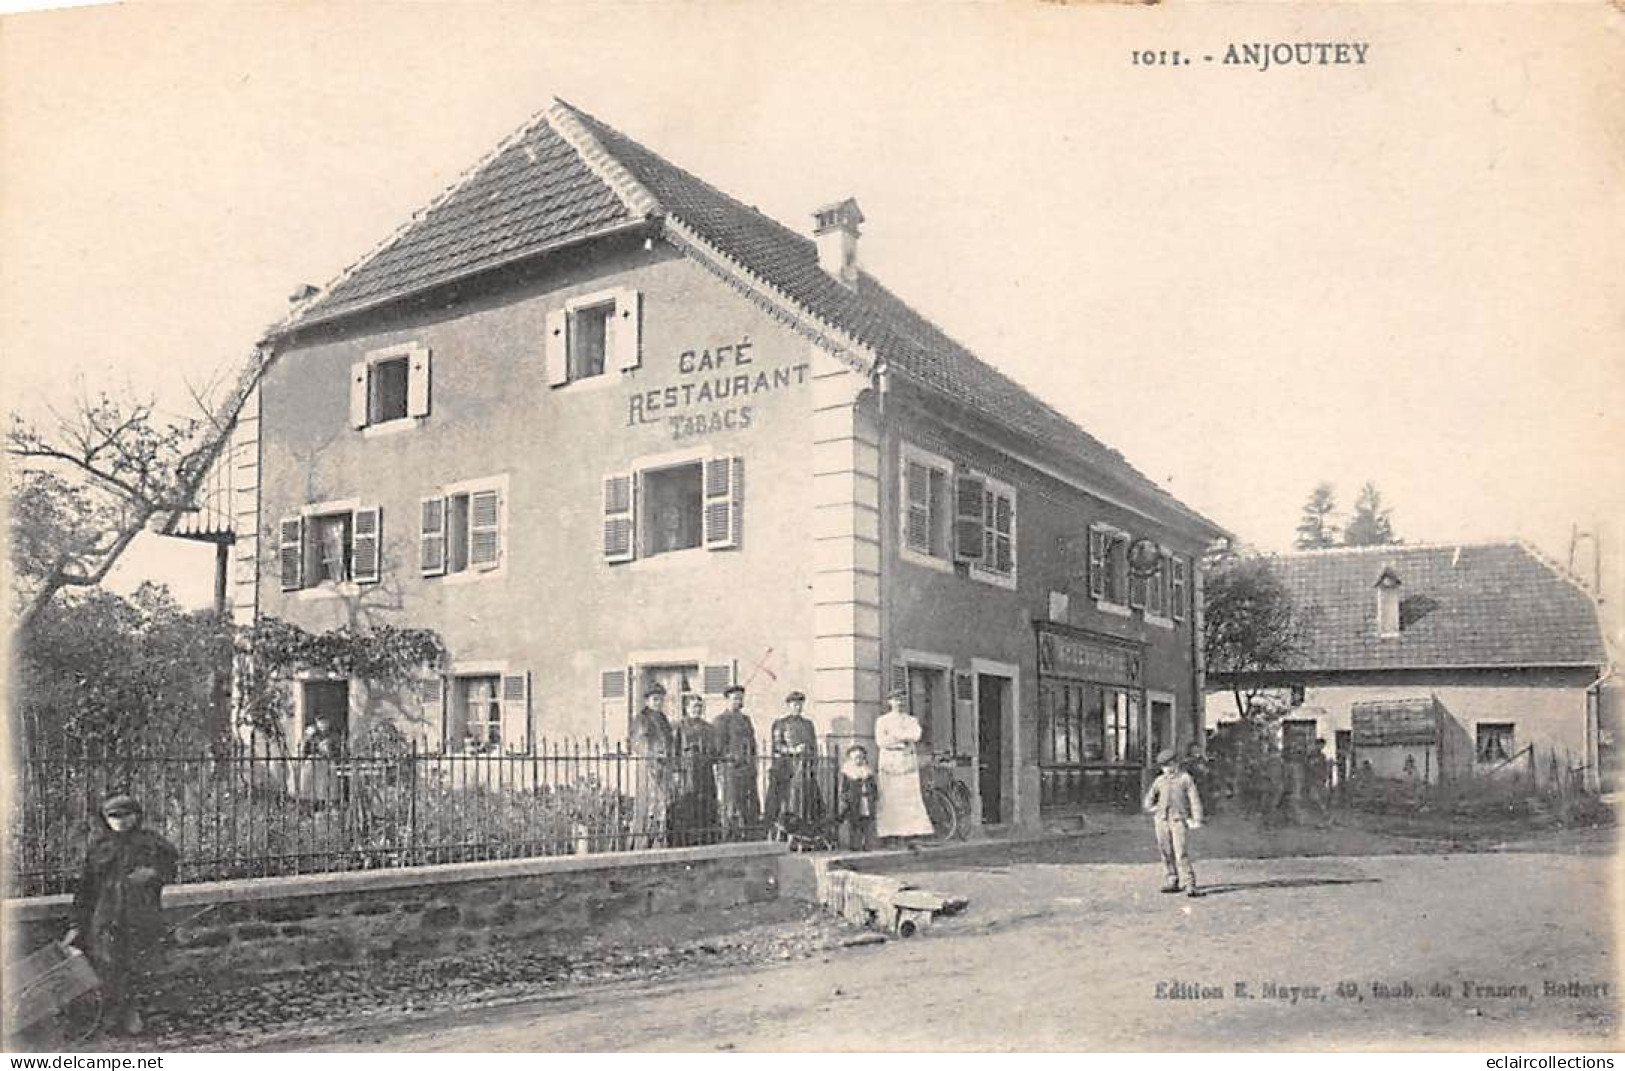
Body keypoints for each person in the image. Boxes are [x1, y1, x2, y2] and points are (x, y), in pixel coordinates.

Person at [68, 795, 179, 1036]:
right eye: (114, 816)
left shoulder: (151, 842)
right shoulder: (99, 847)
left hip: (140, 914)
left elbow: (170, 867)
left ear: (137, 816)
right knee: (108, 964)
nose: (121, 821)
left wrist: (153, 873)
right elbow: (85, 888)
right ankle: (112, 1013)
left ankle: (132, 1012)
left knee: (135, 963)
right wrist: (76, 923)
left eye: (126, 815)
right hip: (106, 916)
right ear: (105, 819)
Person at [1143, 748, 1204, 897]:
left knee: (1181, 852)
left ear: (1176, 764)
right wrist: (1153, 808)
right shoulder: (1159, 781)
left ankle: (1190, 884)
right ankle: (1172, 879)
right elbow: (1148, 800)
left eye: (1170, 765)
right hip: (1161, 821)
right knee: (1165, 851)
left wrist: (1196, 818)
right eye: (1164, 766)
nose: (1168, 769)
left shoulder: (1185, 779)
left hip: (1178, 821)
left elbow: (1194, 799)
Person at [874, 690, 933, 843]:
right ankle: (890, 834)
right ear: (889, 702)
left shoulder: (911, 720)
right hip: (889, 761)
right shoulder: (882, 721)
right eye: (895, 700)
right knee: (889, 797)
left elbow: (916, 735)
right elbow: (881, 741)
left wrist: (894, 736)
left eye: (901, 700)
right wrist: (902, 739)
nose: (898, 703)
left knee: (908, 797)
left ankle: (910, 833)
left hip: (906, 761)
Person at [764, 690, 823, 838]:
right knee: (787, 800)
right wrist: (793, 750)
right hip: (786, 767)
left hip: (804, 767)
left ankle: (805, 829)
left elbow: (813, 746)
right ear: (789, 705)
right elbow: (777, 746)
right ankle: (784, 828)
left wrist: (812, 760)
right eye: (794, 704)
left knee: (806, 800)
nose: (797, 707)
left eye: (800, 704)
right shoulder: (781, 724)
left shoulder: (808, 724)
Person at [710, 684, 760, 838]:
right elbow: (718, 747)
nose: (738, 701)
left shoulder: (746, 720)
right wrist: (731, 757)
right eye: (735, 699)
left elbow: (752, 744)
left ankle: (748, 832)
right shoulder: (721, 720)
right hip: (730, 768)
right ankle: (729, 833)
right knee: (730, 801)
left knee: (748, 800)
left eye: (740, 698)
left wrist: (752, 760)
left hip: (747, 767)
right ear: (727, 700)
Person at [629, 685, 675, 849]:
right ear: (647, 701)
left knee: (662, 803)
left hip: (664, 767)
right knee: (649, 803)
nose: (658, 703)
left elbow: (670, 741)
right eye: (655, 699)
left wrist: (669, 756)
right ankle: (643, 841)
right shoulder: (642, 719)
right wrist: (654, 754)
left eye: (661, 700)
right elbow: (638, 742)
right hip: (648, 767)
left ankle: (659, 839)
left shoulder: (663, 719)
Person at [671, 693, 719, 846]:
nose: (697, 710)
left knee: (705, 803)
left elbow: (714, 751)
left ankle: (705, 837)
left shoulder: (708, 727)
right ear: (686, 708)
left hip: (705, 770)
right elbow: (675, 751)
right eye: (694, 707)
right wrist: (677, 772)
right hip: (687, 771)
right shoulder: (679, 727)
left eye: (699, 707)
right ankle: (686, 839)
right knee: (687, 803)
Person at [836, 743, 878, 851]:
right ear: (851, 759)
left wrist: (874, 796)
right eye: (856, 758)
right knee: (855, 823)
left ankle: (867, 844)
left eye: (861, 758)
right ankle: (855, 844)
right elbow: (843, 789)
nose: (858, 760)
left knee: (867, 822)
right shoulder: (848, 773)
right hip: (854, 801)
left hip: (866, 800)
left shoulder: (867, 772)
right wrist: (846, 799)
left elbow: (874, 787)